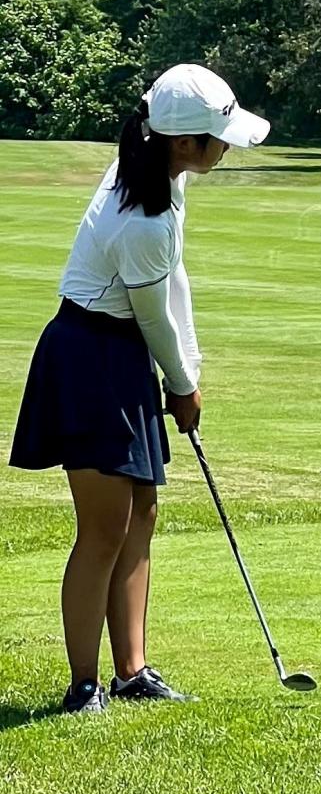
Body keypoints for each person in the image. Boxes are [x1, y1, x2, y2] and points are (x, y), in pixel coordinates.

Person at [8, 64, 270, 714]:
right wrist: (181, 386)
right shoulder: (142, 215)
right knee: (103, 526)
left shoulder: (160, 176)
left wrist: (190, 370)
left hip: (120, 353)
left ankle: (133, 671)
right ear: (184, 142)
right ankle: (84, 685)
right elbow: (152, 314)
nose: (227, 147)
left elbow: (171, 284)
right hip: (88, 356)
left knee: (142, 512)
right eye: (220, 137)